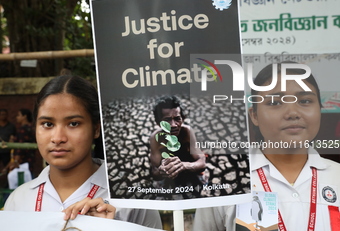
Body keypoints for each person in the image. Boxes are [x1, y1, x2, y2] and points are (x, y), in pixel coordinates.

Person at [193, 62, 340, 231]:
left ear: (320, 109)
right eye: (275, 103)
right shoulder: (223, 181)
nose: (292, 113)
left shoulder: (337, 177)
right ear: (254, 115)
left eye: (305, 101)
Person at [4, 75, 162, 229]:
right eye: (47, 124)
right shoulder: (19, 201)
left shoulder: (131, 195)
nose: (58, 138)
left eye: (73, 123)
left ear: (96, 129)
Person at [150, 96, 206, 193]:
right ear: (158, 123)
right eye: (167, 120)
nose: (173, 125)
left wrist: (184, 166)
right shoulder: (156, 138)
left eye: (177, 119)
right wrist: (162, 171)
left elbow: (201, 162)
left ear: (183, 119)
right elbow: (154, 171)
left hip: (187, 169)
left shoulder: (187, 132)